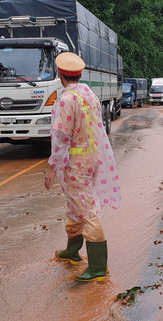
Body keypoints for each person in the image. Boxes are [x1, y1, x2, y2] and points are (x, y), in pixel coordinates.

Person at [43, 52, 121, 282]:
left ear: (60, 75)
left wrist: (52, 168)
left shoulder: (67, 100)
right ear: (80, 74)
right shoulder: (90, 96)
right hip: (90, 158)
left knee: (86, 210)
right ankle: (72, 251)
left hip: (74, 163)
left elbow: (61, 137)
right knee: (75, 204)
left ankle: (98, 267)